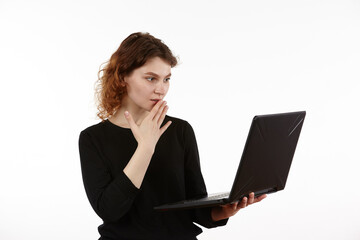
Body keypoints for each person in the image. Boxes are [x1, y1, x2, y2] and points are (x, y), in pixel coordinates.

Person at [78, 32, 267, 240]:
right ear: (123, 76)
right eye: (151, 78)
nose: (161, 89)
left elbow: (194, 207)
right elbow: (110, 210)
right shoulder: (93, 139)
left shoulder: (180, 130)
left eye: (166, 79)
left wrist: (227, 209)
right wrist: (145, 148)